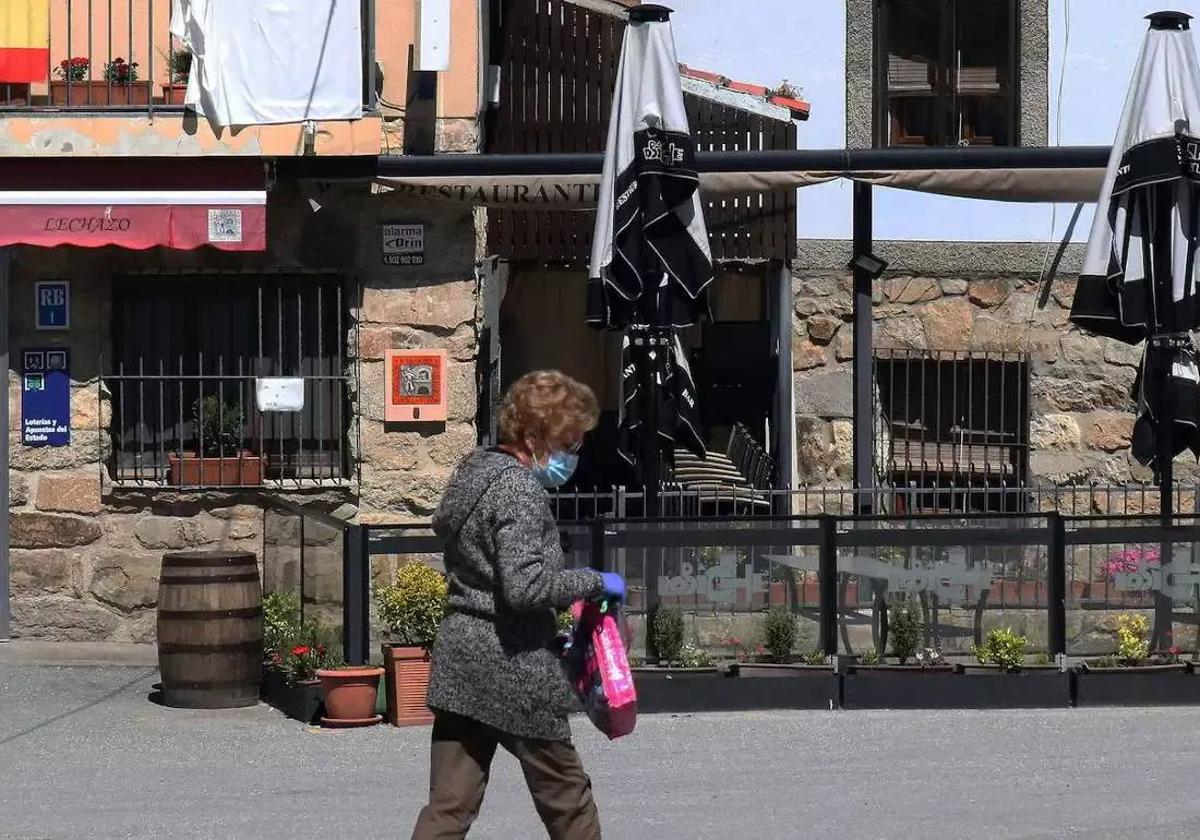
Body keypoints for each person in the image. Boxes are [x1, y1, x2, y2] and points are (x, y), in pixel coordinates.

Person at [412, 370, 626, 840]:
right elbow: (525, 587)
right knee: (569, 800)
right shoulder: (519, 490)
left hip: (460, 659)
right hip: (514, 665)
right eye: (569, 442)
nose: (573, 454)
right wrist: (595, 580)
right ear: (535, 437)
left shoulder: (474, 471)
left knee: (449, 806)